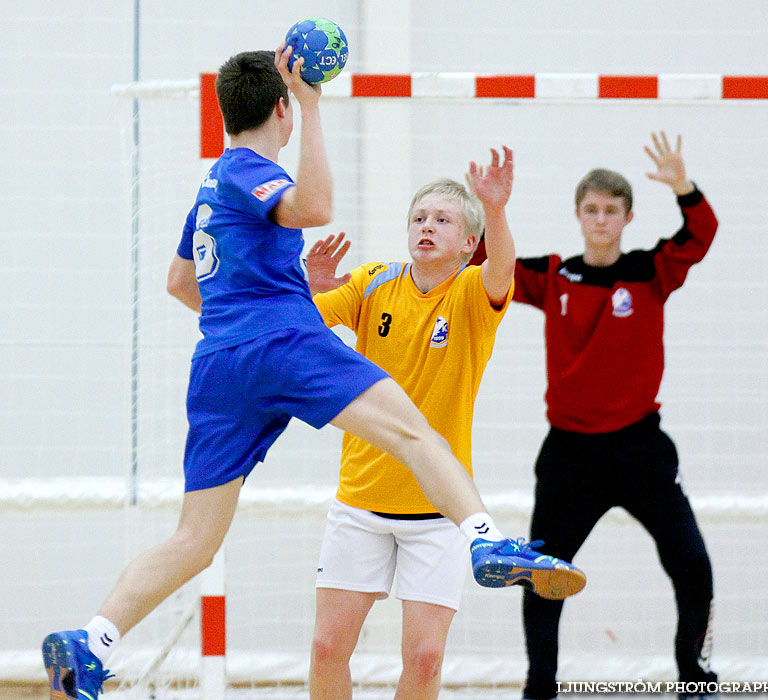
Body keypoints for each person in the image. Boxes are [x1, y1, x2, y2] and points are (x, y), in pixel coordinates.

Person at [41, 48, 573, 700]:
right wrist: (317, 104)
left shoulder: (208, 190)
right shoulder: (248, 171)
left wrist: (259, 305)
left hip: (218, 363)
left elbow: (180, 283)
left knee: (194, 539)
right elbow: (315, 204)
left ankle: (93, 639)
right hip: (279, 342)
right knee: (413, 433)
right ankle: (487, 541)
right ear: (281, 109)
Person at [305, 150, 587, 700]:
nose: (426, 227)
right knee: (325, 649)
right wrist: (308, 286)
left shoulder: (473, 293)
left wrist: (495, 209)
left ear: (467, 244)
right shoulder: (370, 283)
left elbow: (503, 267)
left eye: (443, 220)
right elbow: (301, 324)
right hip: (359, 503)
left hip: (437, 515)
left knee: (427, 659)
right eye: (418, 218)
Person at [471, 132, 718, 700]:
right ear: (578, 215)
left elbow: (701, 235)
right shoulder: (555, 275)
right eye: (592, 209)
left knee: (693, 566)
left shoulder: (652, 270)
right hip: (569, 455)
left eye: (612, 210)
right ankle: (541, 690)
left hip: (641, 449)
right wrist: (491, 207)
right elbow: (487, 260)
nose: (601, 219)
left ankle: (696, 681)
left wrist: (682, 186)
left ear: (628, 216)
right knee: (542, 576)